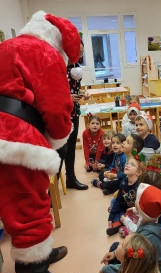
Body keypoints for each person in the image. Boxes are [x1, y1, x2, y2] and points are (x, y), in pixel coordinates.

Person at [0, 11, 80, 273]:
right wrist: (57, 139)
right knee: (28, 204)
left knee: (14, 200)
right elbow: (59, 109)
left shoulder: (6, 46)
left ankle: (41, 255)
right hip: (15, 137)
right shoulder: (45, 53)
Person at [59, 38, 90, 190]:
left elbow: (74, 88)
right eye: (78, 52)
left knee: (71, 147)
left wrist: (82, 94)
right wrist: (67, 97)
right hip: (59, 114)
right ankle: (51, 188)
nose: (79, 56)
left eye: (82, 53)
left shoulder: (76, 68)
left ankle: (71, 178)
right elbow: (48, 93)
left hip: (74, 112)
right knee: (59, 149)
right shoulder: (57, 67)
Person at [106, 153, 144, 236]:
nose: (128, 165)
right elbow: (119, 201)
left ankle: (124, 224)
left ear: (138, 172)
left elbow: (142, 207)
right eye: (127, 163)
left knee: (131, 217)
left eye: (132, 165)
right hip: (125, 208)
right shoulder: (123, 183)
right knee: (114, 201)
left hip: (136, 211)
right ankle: (117, 222)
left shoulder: (140, 186)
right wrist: (111, 217)